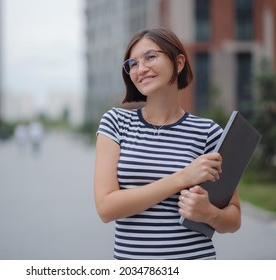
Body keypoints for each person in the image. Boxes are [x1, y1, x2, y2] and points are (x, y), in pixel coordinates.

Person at [94, 27, 241, 260]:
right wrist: (183, 178)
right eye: (132, 64)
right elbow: (106, 207)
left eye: (150, 57)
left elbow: (233, 219)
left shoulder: (208, 132)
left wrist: (209, 214)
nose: (140, 69)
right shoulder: (116, 122)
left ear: (179, 62)